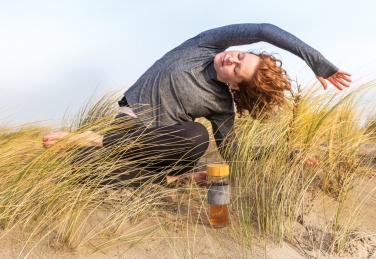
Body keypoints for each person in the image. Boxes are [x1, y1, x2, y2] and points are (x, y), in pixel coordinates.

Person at [43, 23, 351, 186]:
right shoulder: (202, 46)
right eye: (240, 56)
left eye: (236, 69)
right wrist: (318, 63)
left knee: (197, 138)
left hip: (160, 153)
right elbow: (263, 30)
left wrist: (290, 155)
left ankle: (167, 178)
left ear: (234, 85)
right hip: (127, 130)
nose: (232, 58)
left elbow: (234, 153)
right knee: (84, 166)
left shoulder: (221, 105)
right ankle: (92, 142)